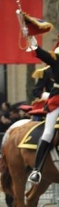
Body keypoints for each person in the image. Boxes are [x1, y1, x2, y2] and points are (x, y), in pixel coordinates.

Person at [27, 39, 59, 184]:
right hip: (57, 101)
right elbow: (44, 55)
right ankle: (36, 170)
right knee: (48, 132)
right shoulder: (56, 62)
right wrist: (33, 42)